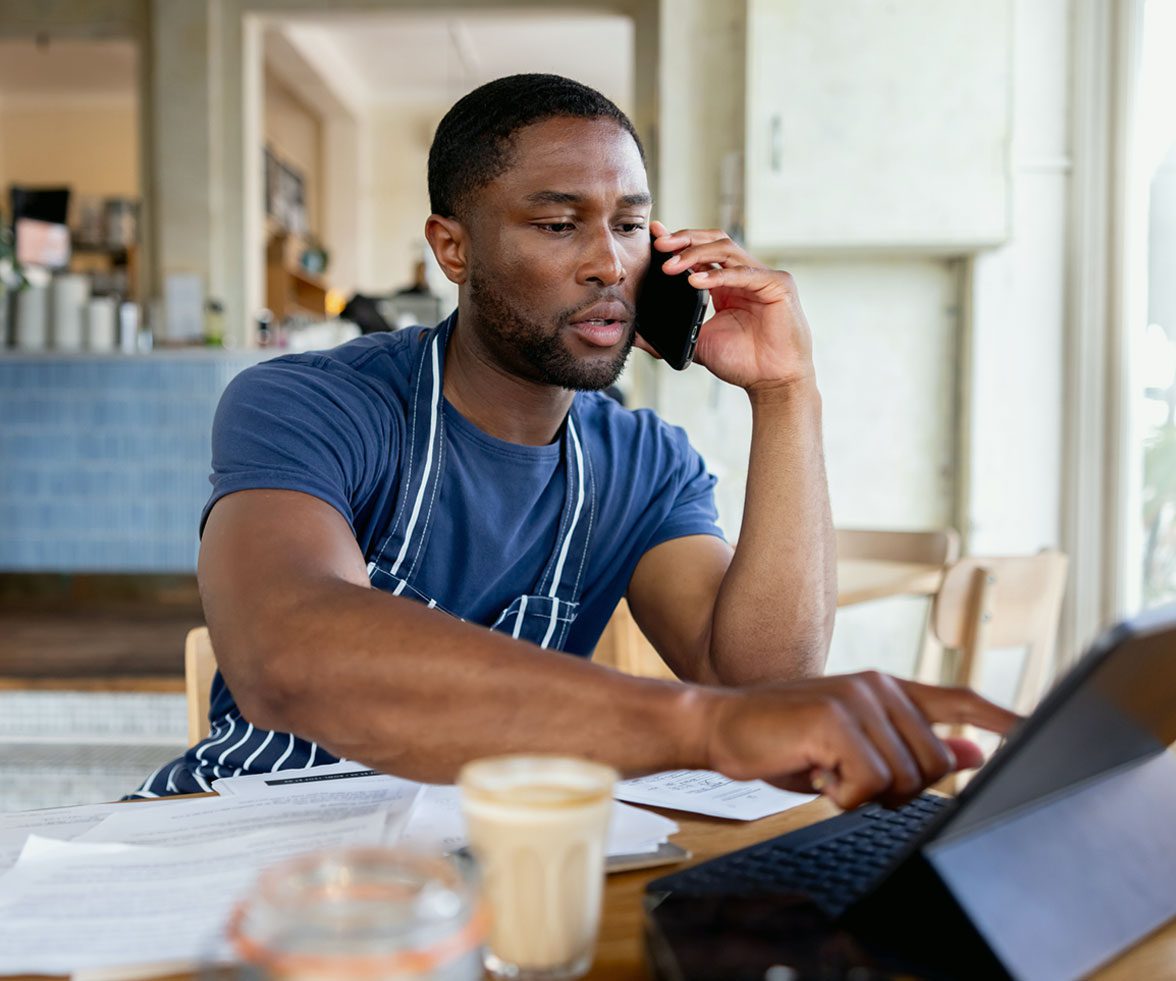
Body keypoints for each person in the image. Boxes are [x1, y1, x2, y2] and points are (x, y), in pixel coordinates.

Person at [132, 74, 1017, 809]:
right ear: (453, 247)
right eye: (559, 225)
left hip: (485, 855)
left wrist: (788, 394)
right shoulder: (309, 403)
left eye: (630, 225)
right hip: (243, 845)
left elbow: (760, 680)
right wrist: (697, 726)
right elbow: (288, 652)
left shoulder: (645, 464)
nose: (607, 263)